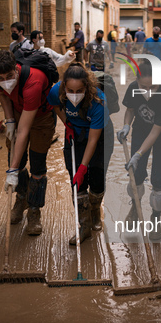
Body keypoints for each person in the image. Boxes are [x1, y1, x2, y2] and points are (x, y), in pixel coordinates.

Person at [0, 50, 55, 235]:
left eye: (10, 76)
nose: (5, 81)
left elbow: (24, 131)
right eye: (0, 77)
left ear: (16, 70)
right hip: (17, 112)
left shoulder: (34, 80)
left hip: (41, 117)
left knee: (37, 164)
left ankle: (34, 211)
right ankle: (21, 199)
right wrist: (9, 120)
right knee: (16, 158)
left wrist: (11, 170)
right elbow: (2, 93)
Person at [47, 63, 113, 245]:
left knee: (98, 179)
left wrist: (84, 166)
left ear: (87, 87)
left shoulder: (99, 101)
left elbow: (93, 140)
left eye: (79, 90)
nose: (74, 95)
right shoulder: (56, 91)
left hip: (99, 137)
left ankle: (95, 211)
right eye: (70, 90)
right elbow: (55, 105)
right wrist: (67, 123)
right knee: (77, 182)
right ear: (64, 87)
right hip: (74, 134)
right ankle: (84, 226)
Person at [116, 59, 161, 240]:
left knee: (158, 177)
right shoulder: (133, 88)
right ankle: (135, 208)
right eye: (144, 86)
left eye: (153, 87)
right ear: (136, 80)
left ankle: (156, 218)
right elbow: (130, 110)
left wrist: (137, 154)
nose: (148, 92)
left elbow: (156, 132)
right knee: (136, 173)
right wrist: (126, 125)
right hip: (140, 132)